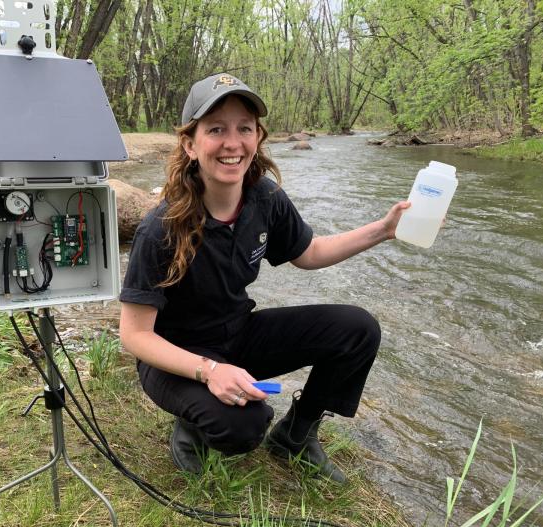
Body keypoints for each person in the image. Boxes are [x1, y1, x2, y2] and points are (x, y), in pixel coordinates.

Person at [118, 73, 410, 483]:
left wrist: (383, 230)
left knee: (357, 329)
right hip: (175, 360)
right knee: (244, 426)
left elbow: (309, 254)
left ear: (258, 137)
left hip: (237, 334)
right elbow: (134, 336)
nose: (232, 143)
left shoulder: (264, 198)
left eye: (244, 128)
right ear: (190, 144)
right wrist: (209, 372)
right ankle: (193, 425)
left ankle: (295, 436)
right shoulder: (161, 228)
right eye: (216, 129)